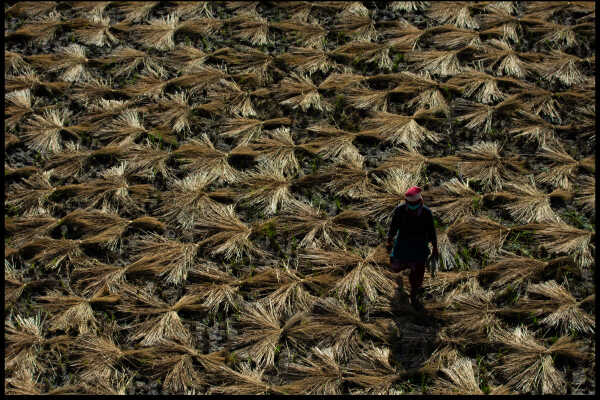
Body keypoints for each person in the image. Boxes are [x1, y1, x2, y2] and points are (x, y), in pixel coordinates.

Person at [386, 186, 438, 311]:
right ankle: (407, 275)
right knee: (396, 266)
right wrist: (389, 239)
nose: (413, 208)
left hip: (419, 247)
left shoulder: (426, 213)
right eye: (411, 204)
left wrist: (435, 247)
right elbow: (393, 227)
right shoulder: (400, 211)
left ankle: (414, 294)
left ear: (421, 202)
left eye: (415, 204)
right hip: (403, 244)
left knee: (417, 273)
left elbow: (432, 232)